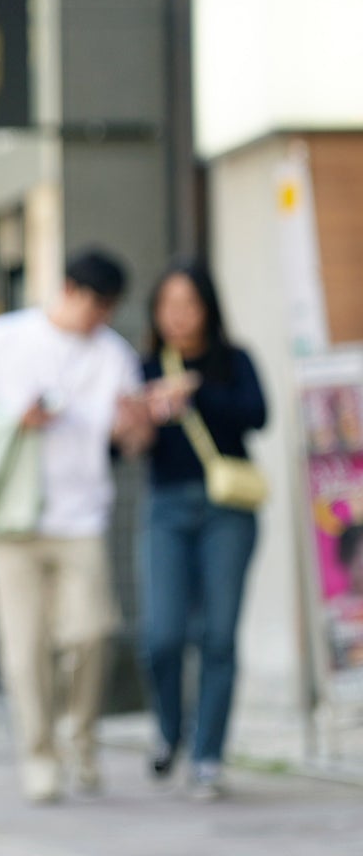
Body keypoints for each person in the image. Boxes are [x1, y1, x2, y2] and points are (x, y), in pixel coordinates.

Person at [0, 249, 148, 803]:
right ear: (69, 291)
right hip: (13, 519)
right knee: (24, 649)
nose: (100, 319)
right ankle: (39, 758)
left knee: (92, 634)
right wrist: (19, 419)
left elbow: (131, 442)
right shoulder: (2, 339)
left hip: (82, 517)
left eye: (109, 309)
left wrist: (140, 421)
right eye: (96, 305)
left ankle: (79, 737)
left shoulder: (114, 355)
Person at [133, 261, 267, 800]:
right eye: (168, 305)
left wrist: (196, 393)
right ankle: (170, 730)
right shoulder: (144, 366)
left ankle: (208, 755)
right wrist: (140, 416)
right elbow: (126, 445)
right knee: (161, 635)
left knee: (218, 634)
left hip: (227, 509)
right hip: (166, 507)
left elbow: (258, 414)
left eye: (188, 304)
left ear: (208, 308)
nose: (178, 316)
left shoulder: (233, 361)